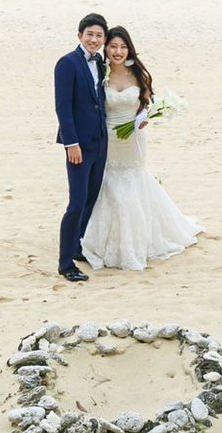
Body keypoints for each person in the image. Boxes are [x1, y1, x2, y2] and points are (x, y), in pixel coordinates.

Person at [79, 24, 201, 271]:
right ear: (106, 48)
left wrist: (144, 117)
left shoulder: (138, 75)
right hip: (108, 139)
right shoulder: (100, 73)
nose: (118, 52)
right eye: (113, 46)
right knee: (109, 184)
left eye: (123, 47)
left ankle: (138, 238)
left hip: (132, 141)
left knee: (134, 181)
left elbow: (146, 102)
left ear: (129, 50)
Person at [52, 13, 110, 282]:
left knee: (91, 198)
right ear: (79, 35)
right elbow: (63, 108)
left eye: (99, 36)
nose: (94, 40)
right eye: (90, 34)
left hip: (100, 142)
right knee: (76, 203)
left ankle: (77, 246)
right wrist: (70, 143)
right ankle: (65, 264)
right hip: (78, 146)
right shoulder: (67, 63)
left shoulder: (101, 64)